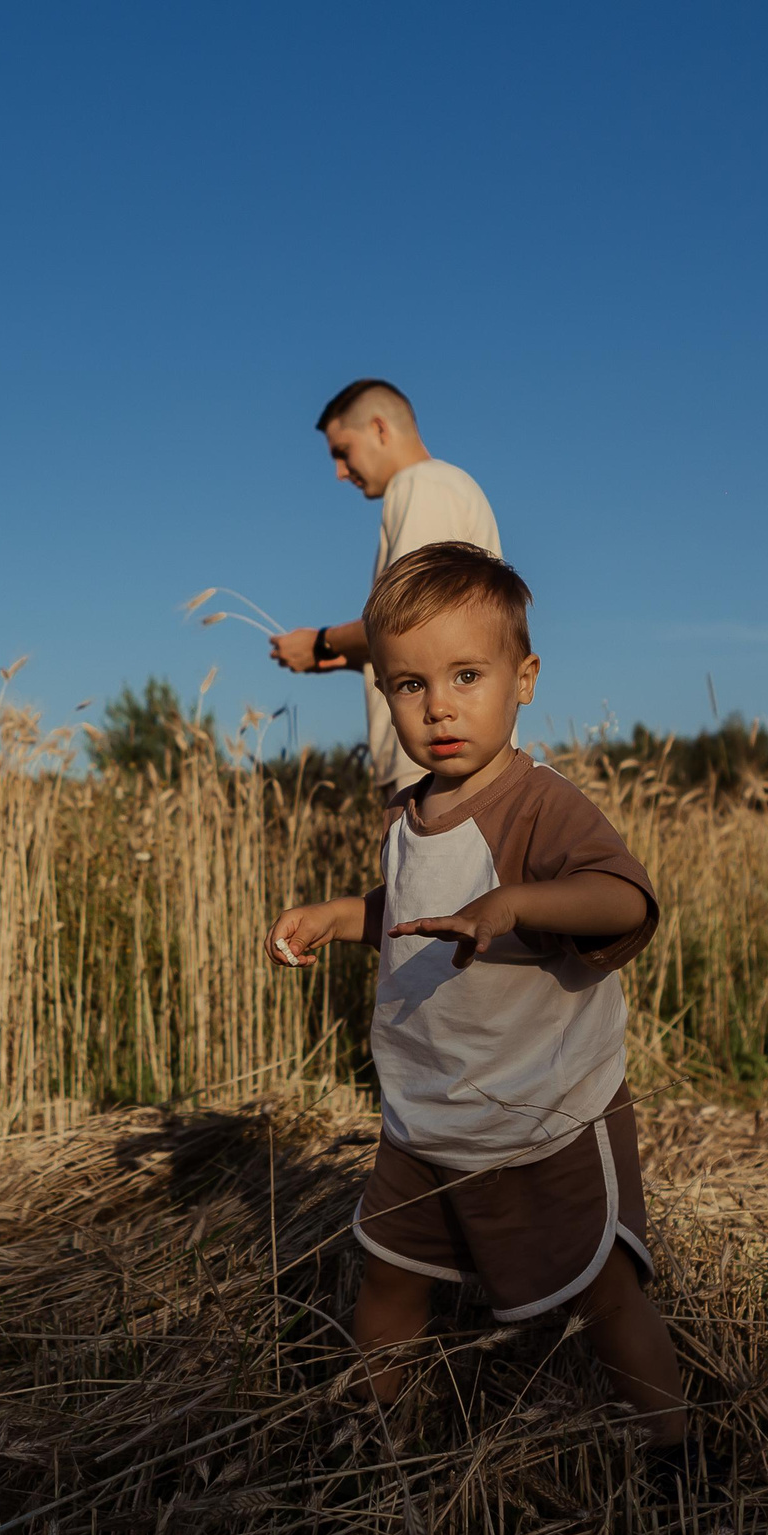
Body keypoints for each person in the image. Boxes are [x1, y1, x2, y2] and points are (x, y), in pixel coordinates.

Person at [265, 543, 692, 1471]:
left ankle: (675, 1450)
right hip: (429, 1114)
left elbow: (624, 898)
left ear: (523, 679)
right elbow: (410, 911)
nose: (440, 706)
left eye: (467, 675)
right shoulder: (408, 813)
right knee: (389, 1276)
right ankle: (374, 1440)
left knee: (603, 1293)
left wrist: (517, 904)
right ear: (385, 693)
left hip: (542, 1112)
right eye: (410, 684)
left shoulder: (541, 807)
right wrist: (340, 916)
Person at [269, 380, 503, 800]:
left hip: (439, 757)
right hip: (445, 755)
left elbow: (412, 620)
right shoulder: (436, 487)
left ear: (379, 429)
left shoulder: (421, 486)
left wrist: (320, 642)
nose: (340, 472)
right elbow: (428, 638)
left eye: (343, 451)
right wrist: (346, 656)